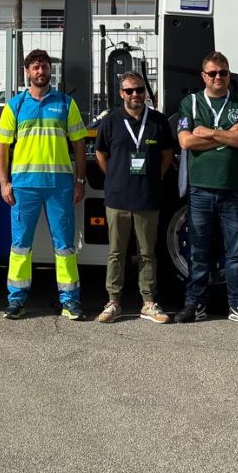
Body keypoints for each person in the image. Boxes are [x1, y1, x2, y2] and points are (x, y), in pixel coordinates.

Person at [0, 49, 88, 320]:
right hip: (24, 187)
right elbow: (2, 146)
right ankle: (16, 300)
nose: (40, 71)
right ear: (27, 71)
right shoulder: (15, 105)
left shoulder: (65, 103)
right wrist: (4, 182)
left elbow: (79, 145)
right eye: (35, 67)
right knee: (20, 246)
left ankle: (70, 301)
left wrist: (80, 180)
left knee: (65, 246)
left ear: (51, 71)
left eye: (45, 66)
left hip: (59, 187)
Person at [175, 51, 238, 325]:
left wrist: (211, 132)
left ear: (229, 74)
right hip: (201, 190)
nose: (218, 77)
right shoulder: (190, 102)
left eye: (223, 72)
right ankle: (195, 305)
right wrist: (230, 133)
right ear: (203, 76)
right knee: (199, 252)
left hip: (234, 189)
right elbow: (187, 142)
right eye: (212, 73)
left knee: (236, 253)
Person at [92, 71, 176, 323]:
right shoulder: (110, 122)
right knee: (116, 252)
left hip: (147, 198)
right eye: (129, 91)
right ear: (121, 94)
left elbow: (167, 155)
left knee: (147, 252)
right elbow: (100, 154)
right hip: (117, 198)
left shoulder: (159, 122)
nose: (135, 95)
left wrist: (153, 178)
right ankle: (113, 302)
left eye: (139, 90)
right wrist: (116, 178)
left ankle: (148, 302)